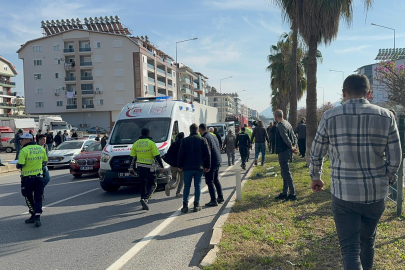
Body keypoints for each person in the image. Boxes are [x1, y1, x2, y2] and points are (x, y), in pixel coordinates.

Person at [310, 74, 402, 270]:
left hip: (344, 194)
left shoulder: (330, 116)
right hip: (376, 194)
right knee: (368, 242)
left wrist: (316, 177)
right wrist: (387, 179)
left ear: (344, 94)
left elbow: (317, 151)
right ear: (369, 93)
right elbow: (396, 157)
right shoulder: (386, 116)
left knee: (350, 250)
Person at [177, 123, 211, 213]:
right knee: (198, 186)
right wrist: (208, 166)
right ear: (197, 130)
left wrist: (179, 165)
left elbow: (181, 154)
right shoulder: (202, 140)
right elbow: (207, 154)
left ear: (190, 130)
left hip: (187, 167)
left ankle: (185, 206)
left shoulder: (185, 140)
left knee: (187, 186)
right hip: (198, 167)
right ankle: (196, 205)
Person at [129, 128, 164, 211]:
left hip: (140, 167)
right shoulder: (151, 143)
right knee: (153, 184)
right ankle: (145, 199)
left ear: (141, 134)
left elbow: (132, 158)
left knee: (142, 184)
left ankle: (142, 200)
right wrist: (161, 167)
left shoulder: (135, 143)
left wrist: (131, 168)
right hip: (149, 167)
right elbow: (157, 156)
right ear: (149, 134)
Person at [17, 133, 47, 227]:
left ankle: (33, 214)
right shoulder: (41, 148)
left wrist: (18, 165)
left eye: (22, 140)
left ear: (28, 140)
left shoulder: (24, 150)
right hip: (39, 178)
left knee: (27, 196)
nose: (21, 142)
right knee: (38, 198)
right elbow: (45, 162)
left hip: (28, 179)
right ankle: (37, 217)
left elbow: (20, 164)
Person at [273, 110, 298, 201]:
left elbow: (285, 137)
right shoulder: (287, 123)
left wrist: (291, 147)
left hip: (284, 151)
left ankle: (292, 193)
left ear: (275, 116)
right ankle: (284, 192)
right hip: (288, 150)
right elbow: (294, 136)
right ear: (282, 115)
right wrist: (294, 146)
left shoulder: (280, 125)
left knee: (286, 173)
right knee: (284, 172)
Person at [200, 123, 223, 207]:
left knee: (209, 181)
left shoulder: (205, 138)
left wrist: (207, 166)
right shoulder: (213, 136)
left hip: (211, 162)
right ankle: (220, 197)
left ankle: (213, 200)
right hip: (217, 160)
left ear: (201, 130)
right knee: (216, 180)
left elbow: (207, 153)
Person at [163, 132, 185, 197]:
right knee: (182, 179)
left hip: (173, 165)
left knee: (174, 178)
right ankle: (178, 192)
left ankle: (169, 185)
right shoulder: (183, 144)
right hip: (181, 165)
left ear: (177, 137)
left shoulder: (173, 144)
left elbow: (168, 154)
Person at [37, 135, 50, 199]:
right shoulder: (36, 147)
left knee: (47, 178)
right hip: (37, 166)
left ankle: (39, 190)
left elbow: (47, 155)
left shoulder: (46, 146)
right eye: (43, 140)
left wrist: (46, 162)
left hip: (44, 165)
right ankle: (40, 193)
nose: (45, 141)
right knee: (40, 180)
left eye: (45, 139)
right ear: (39, 140)